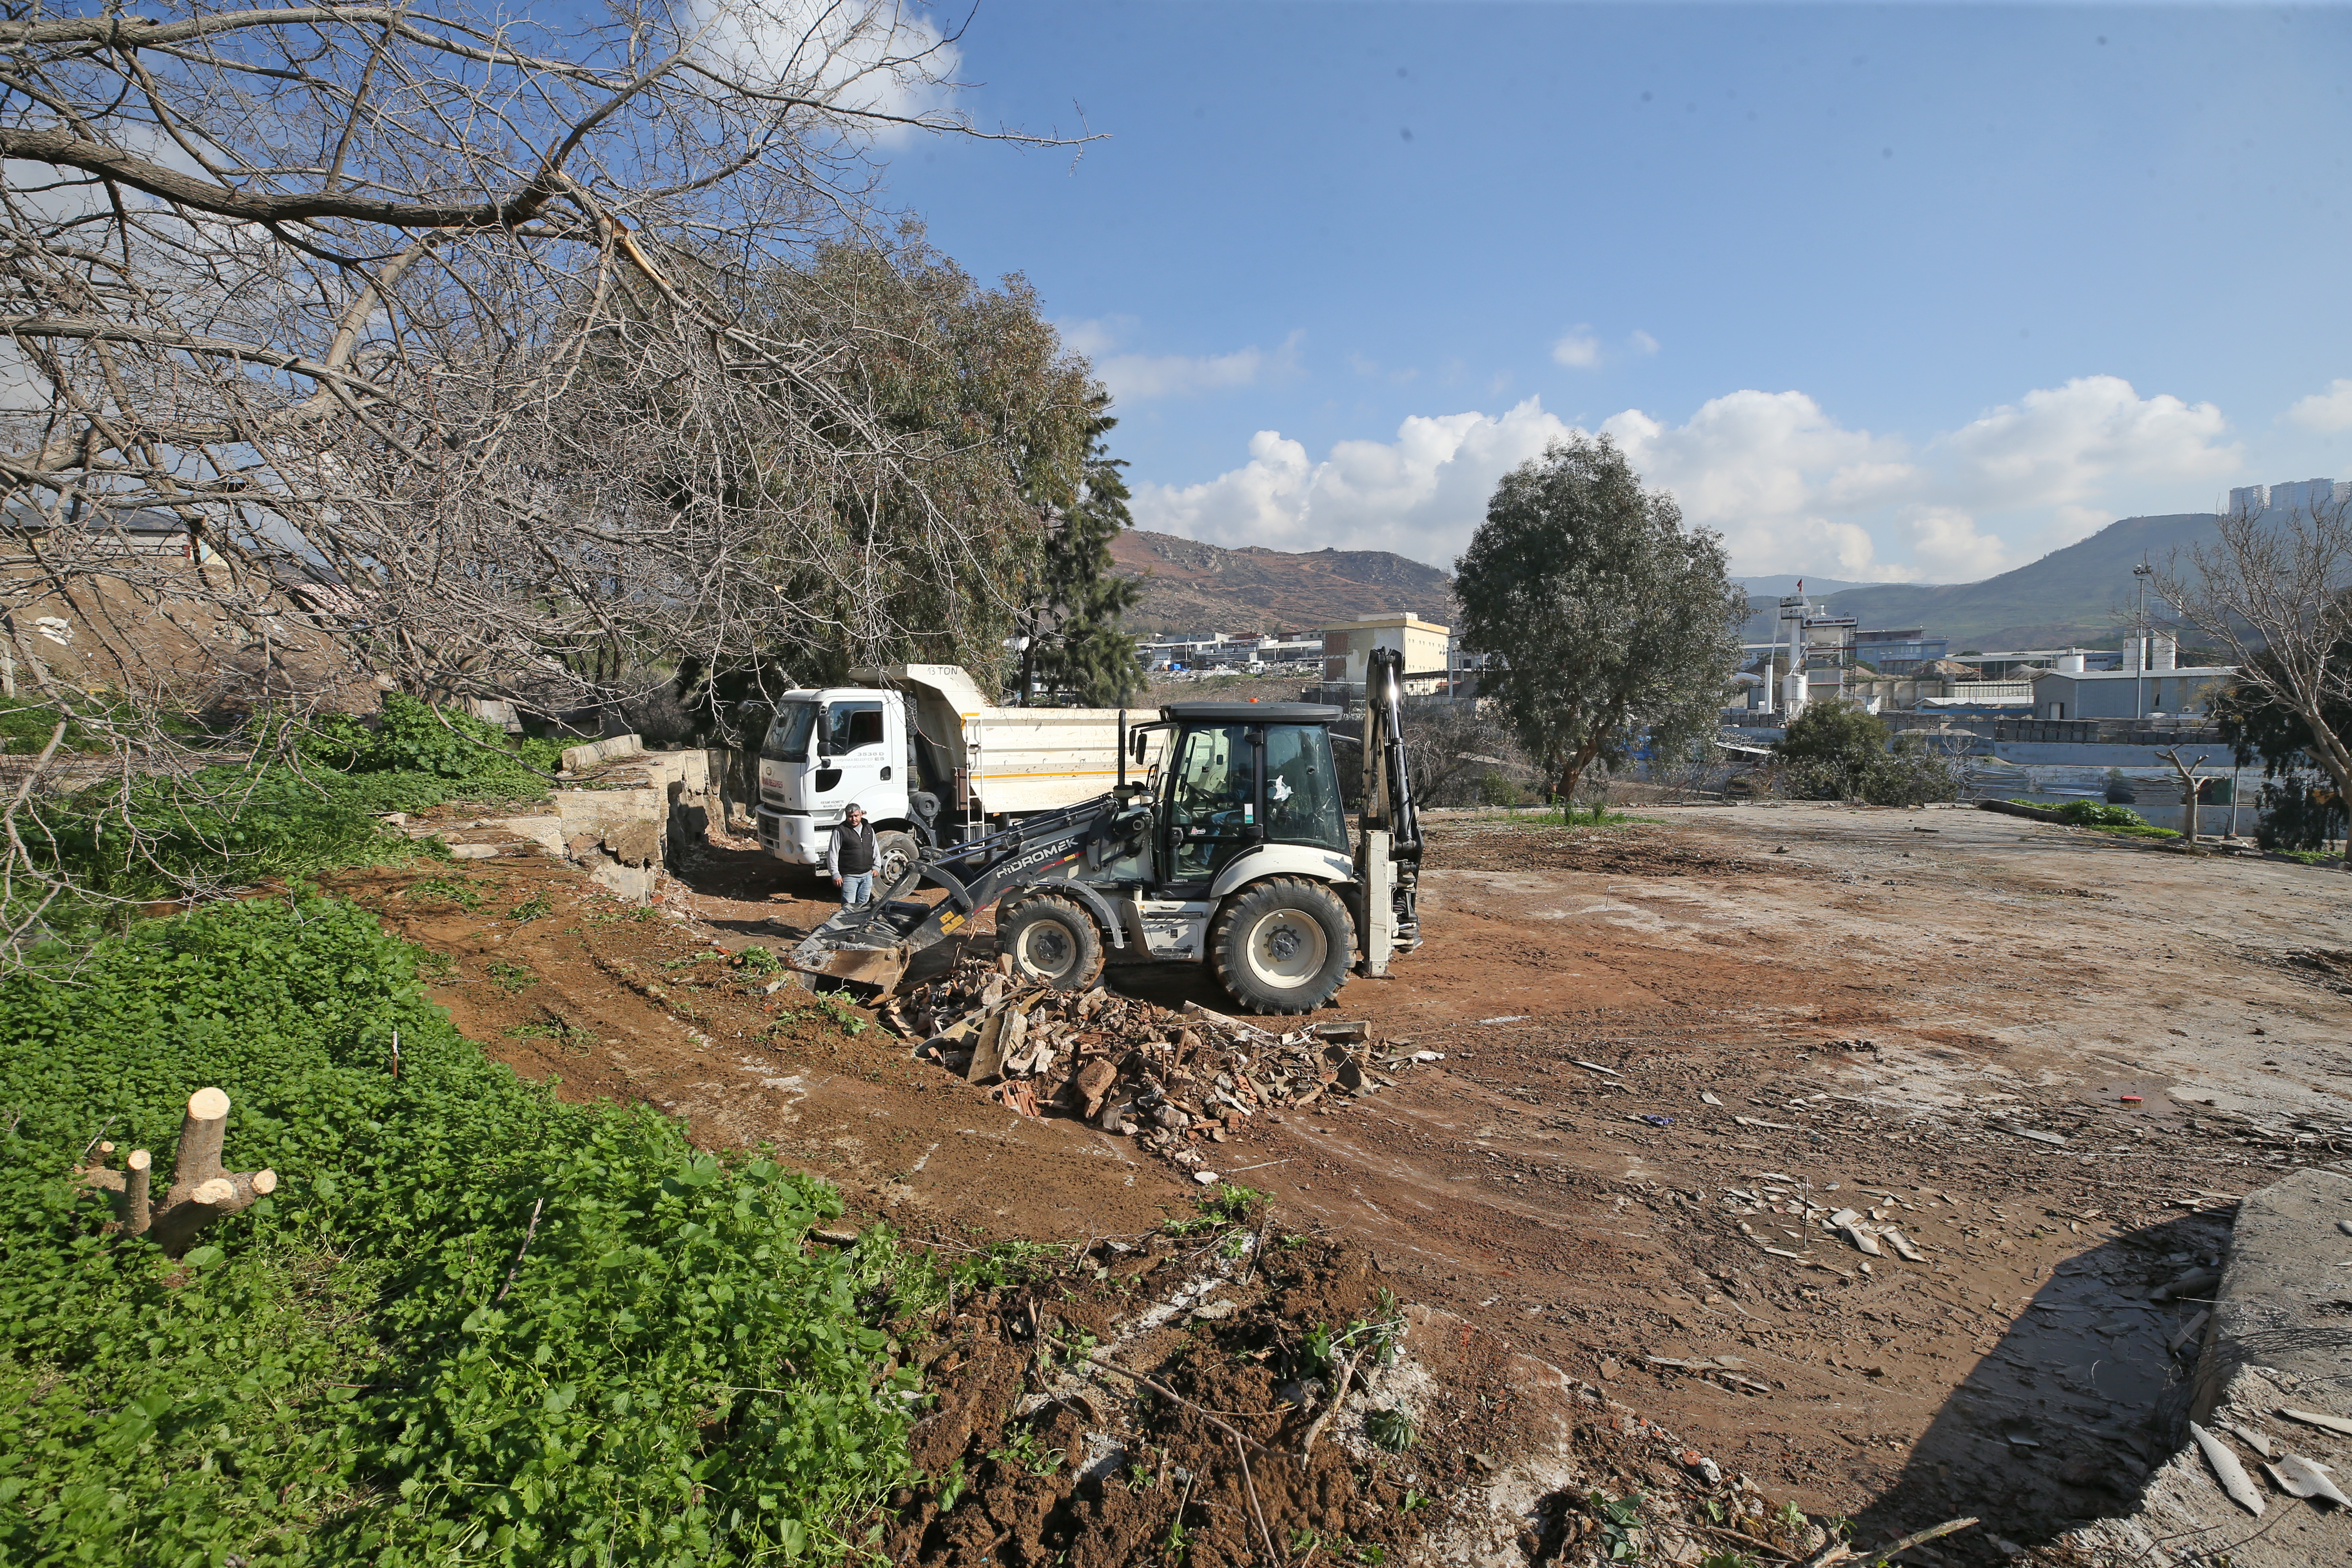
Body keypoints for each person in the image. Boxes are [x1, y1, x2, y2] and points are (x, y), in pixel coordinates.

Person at [826, 803, 878, 908]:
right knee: (848, 907)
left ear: (861, 814)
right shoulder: (840, 831)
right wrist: (835, 873)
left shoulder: (868, 828)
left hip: (867, 876)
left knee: (863, 905)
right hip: (849, 877)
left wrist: (877, 866)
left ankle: (860, 919)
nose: (854, 819)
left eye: (856, 816)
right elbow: (833, 853)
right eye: (850, 816)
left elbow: (875, 847)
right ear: (846, 816)